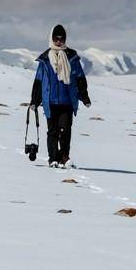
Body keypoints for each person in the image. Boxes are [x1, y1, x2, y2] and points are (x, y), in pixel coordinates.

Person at [30, 24, 91, 168]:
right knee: (52, 132)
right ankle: (53, 158)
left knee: (65, 130)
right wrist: (35, 100)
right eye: (56, 38)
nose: (59, 41)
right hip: (50, 102)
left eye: (61, 38)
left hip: (67, 101)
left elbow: (80, 78)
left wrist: (84, 97)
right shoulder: (45, 59)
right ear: (51, 39)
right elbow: (39, 81)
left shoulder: (72, 57)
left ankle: (64, 157)